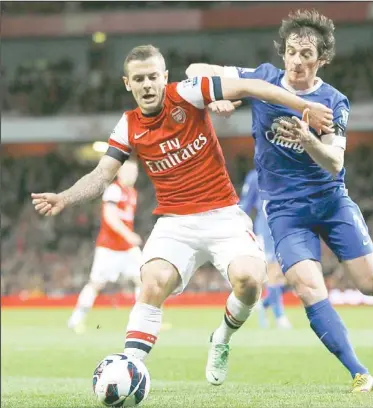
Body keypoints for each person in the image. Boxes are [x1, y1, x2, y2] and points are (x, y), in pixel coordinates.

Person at [31, 44, 333, 386]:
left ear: (165, 77)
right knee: (152, 281)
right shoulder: (128, 126)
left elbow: (250, 86)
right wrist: (64, 198)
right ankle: (129, 368)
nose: (147, 85)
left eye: (152, 77)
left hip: (223, 215)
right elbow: (102, 176)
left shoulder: (190, 94)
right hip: (175, 223)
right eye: (138, 79)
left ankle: (221, 337)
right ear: (127, 83)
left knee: (250, 281)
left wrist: (304, 105)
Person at [186, 9, 373, 392]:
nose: (297, 61)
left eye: (307, 55)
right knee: (308, 287)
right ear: (283, 52)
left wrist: (308, 139)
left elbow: (335, 162)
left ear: (322, 59)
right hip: (284, 211)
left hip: (331, 201)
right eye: (292, 52)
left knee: (372, 287)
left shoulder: (333, 102)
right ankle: (359, 373)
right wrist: (216, 97)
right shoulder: (261, 78)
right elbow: (195, 69)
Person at [67, 160, 142, 334]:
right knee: (96, 284)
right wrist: (128, 234)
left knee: (143, 280)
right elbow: (109, 216)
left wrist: (128, 237)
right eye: (129, 171)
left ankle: (142, 322)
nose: (133, 174)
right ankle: (76, 319)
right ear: (120, 173)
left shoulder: (132, 192)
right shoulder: (114, 190)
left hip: (128, 247)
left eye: (135, 171)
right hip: (109, 247)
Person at [239, 168, 292, 329]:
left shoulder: (288, 171)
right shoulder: (255, 176)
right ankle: (280, 316)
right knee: (273, 270)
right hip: (266, 228)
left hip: (287, 227)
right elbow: (245, 204)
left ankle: (265, 303)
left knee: (292, 276)